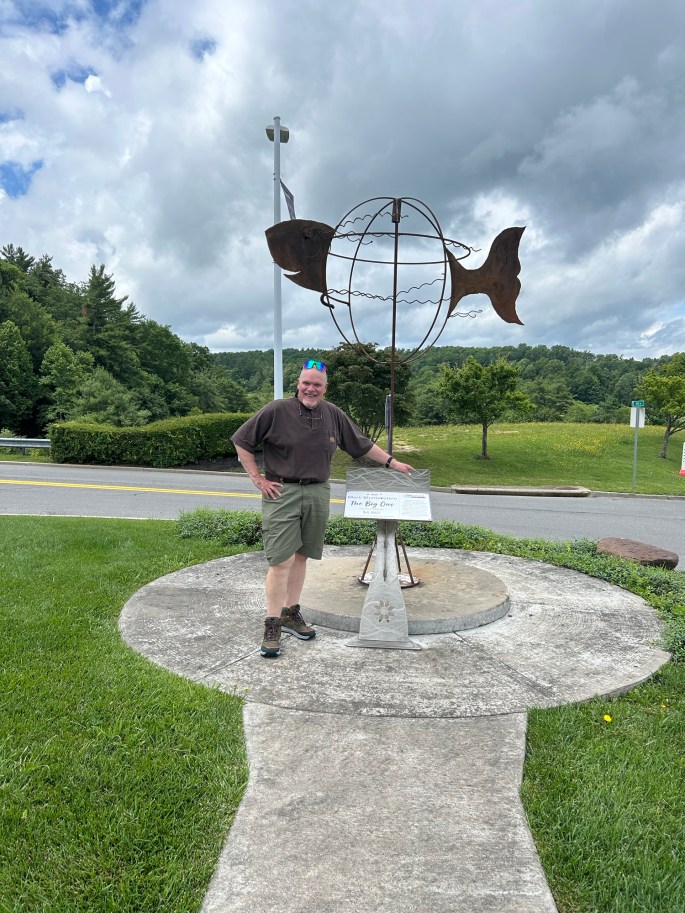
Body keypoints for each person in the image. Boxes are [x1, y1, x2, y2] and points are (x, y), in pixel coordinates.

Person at [231, 358, 414, 657]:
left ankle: (291, 613)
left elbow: (361, 444)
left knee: (302, 556)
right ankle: (272, 623)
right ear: (298, 384)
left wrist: (392, 463)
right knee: (281, 561)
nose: (310, 389)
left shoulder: (333, 414)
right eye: (306, 383)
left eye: (317, 385)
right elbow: (242, 440)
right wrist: (256, 478)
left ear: (325, 388)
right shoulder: (277, 410)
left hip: (318, 491)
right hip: (282, 491)